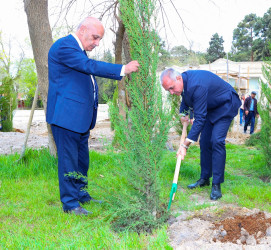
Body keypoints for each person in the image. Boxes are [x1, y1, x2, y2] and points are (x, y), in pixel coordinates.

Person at [47, 17, 140, 215]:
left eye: (99, 39)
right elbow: (90, 67)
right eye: (95, 37)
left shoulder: (78, 51)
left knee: (81, 161)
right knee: (69, 161)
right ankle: (70, 204)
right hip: (66, 118)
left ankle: (81, 195)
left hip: (79, 119)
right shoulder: (65, 46)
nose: (97, 43)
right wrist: (123, 69)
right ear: (82, 30)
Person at [160, 68, 241, 200]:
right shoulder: (183, 83)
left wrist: (185, 145)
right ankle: (204, 178)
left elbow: (200, 118)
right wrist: (183, 114)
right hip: (211, 107)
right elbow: (185, 99)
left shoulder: (197, 85)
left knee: (216, 141)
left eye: (172, 88)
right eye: (168, 90)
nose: (172, 92)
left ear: (178, 79)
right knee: (204, 141)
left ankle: (216, 184)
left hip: (226, 104)